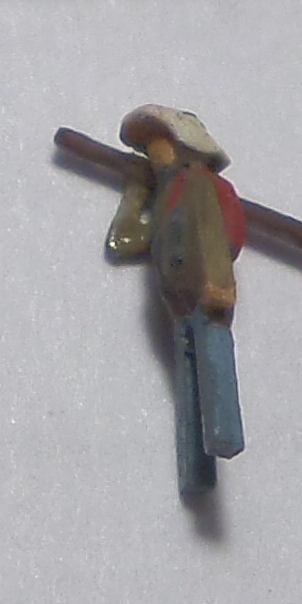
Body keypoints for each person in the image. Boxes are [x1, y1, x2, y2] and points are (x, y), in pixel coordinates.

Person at [107, 106, 246, 493]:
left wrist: (218, 284)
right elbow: (125, 242)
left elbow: (221, 238)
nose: (154, 154)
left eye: (159, 144)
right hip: (177, 299)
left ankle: (224, 434)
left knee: (214, 372)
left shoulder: (203, 186)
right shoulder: (166, 192)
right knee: (187, 382)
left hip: (208, 294)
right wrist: (136, 192)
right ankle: (197, 471)